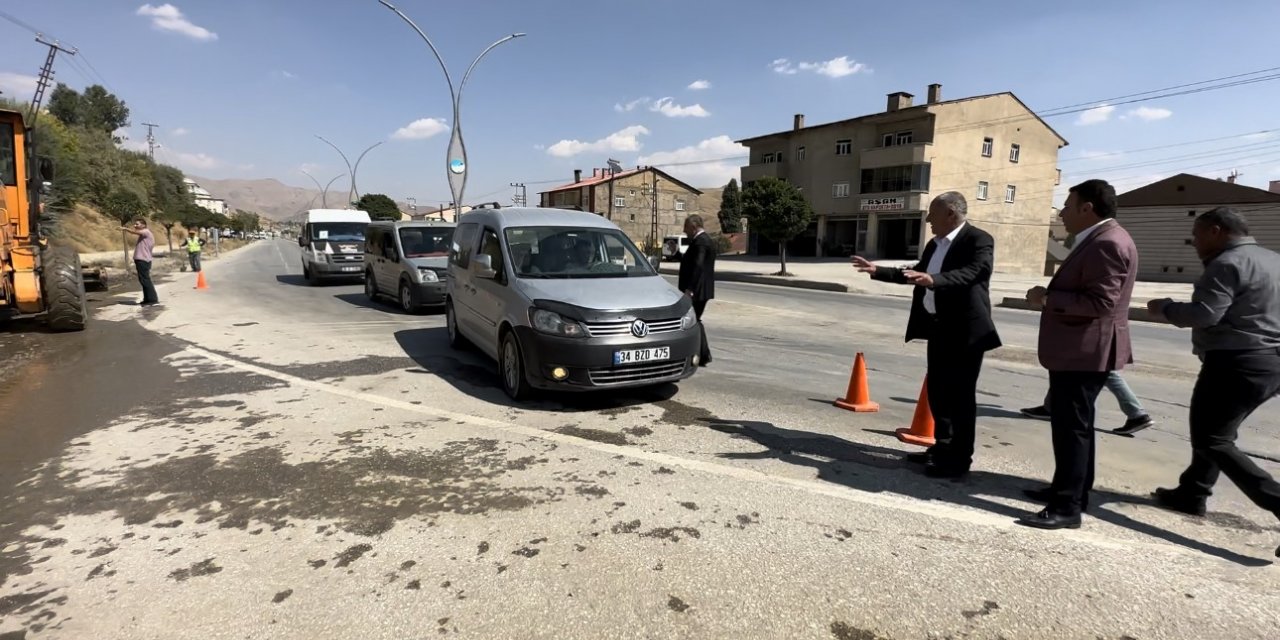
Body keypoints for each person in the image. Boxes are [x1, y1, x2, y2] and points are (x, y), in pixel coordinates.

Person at [1145, 207, 1280, 558]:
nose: (1194, 242)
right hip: (1271, 362)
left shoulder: (1226, 264)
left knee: (1212, 439)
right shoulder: (1273, 260)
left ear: (1217, 231)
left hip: (1237, 362)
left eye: (1198, 234)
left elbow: (1205, 314)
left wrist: (1166, 308)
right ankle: (1192, 492)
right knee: (1217, 430)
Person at [851, 191, 1001, 478]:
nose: (929, 219)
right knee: (939, 393)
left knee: (961, 398)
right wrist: (877, 270)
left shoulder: (978, 240)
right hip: (939, 328)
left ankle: (959, 460)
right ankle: (941, 448)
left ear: (951, 214)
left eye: (933, 213)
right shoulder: (935, 244)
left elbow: (975, 272)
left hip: (967, 332)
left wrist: (935, 280)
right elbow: (918, 272)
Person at [1017, 179, 1137, 530]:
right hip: (1083, 349)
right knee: (1077, 426)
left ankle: (1067, 507)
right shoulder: (1100, 239)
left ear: (1088, 208)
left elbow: (1101, 302)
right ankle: (1072, 490)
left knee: (1072, 429)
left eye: (1067, 206)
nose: (1061, 213)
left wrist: (1047, 299)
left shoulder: (1107, 243)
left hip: (1086, 351)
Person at [1019, 354, 1154, 438]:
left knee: (1104, 371)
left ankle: (1137, 414)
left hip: (1091, 326)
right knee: (1065, 365)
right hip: (1096, 326)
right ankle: (1051, 406)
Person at [678, 214, 716, 367]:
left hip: (698, 291)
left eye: (686, 228)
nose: (684, 231)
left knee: (693, 321)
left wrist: (690, 289)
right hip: (701, 290)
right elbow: (692, 262)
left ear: (693, 227)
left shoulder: (701, 242)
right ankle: (704, 355)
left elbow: (698, 266)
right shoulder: (703, 240)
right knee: (696, 321)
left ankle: (703, 354)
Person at [121, 218, 159, 306]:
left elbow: (135, 232)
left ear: (143, 225)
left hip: (143, 260)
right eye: (135, 224)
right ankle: (147, 299)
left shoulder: (146, 232)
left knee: (145, 280)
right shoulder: (144, 234)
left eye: (137, 224)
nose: (135, 226)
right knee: (143, 280)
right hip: (142, 260)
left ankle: (152, 299)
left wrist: (125, 229)